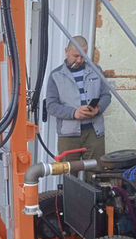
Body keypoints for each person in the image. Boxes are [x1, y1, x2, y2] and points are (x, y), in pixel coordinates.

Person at [46, 35, 111, 163]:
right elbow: (51, 105)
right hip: (68, 136)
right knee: (70, 176)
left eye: (83, 55)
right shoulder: (56, 75)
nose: (80, 60)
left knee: (95, 174)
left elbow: (106, 95)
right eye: (76, 56)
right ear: (66, 51)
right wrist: (74, 113)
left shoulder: (96, 70)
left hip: (94, 133)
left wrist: (98, 109)